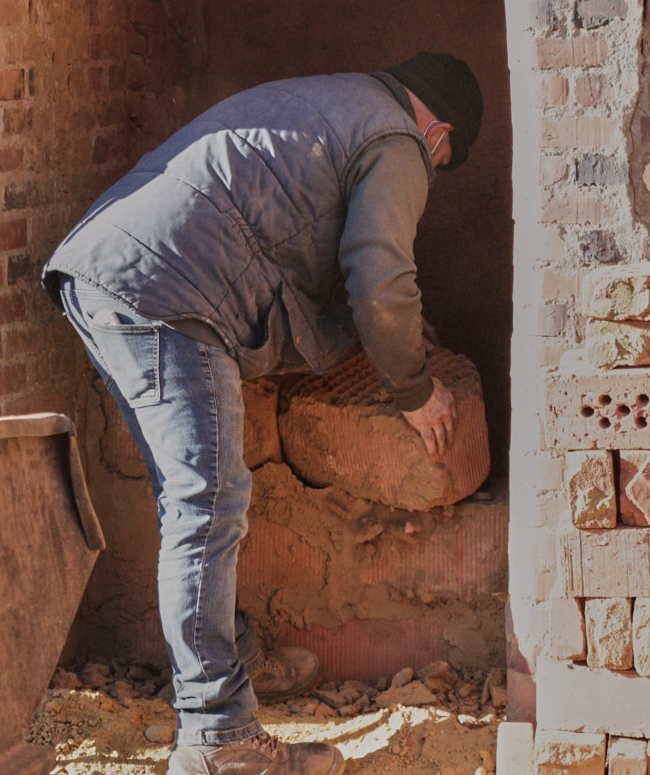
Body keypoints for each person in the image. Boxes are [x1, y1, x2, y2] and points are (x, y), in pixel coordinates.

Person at [42, 51, 483, 775]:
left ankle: (233, 661)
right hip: (168, 293)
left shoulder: (332, 100)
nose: (430, 175)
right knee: (206, 502)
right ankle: (219, 740)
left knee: (190, 498)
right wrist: (413, 387)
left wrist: (389, 337)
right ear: (439, 136)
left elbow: (307, 253)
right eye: (442, 164)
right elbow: (377, 274)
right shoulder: (398, 139)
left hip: (107, 275)